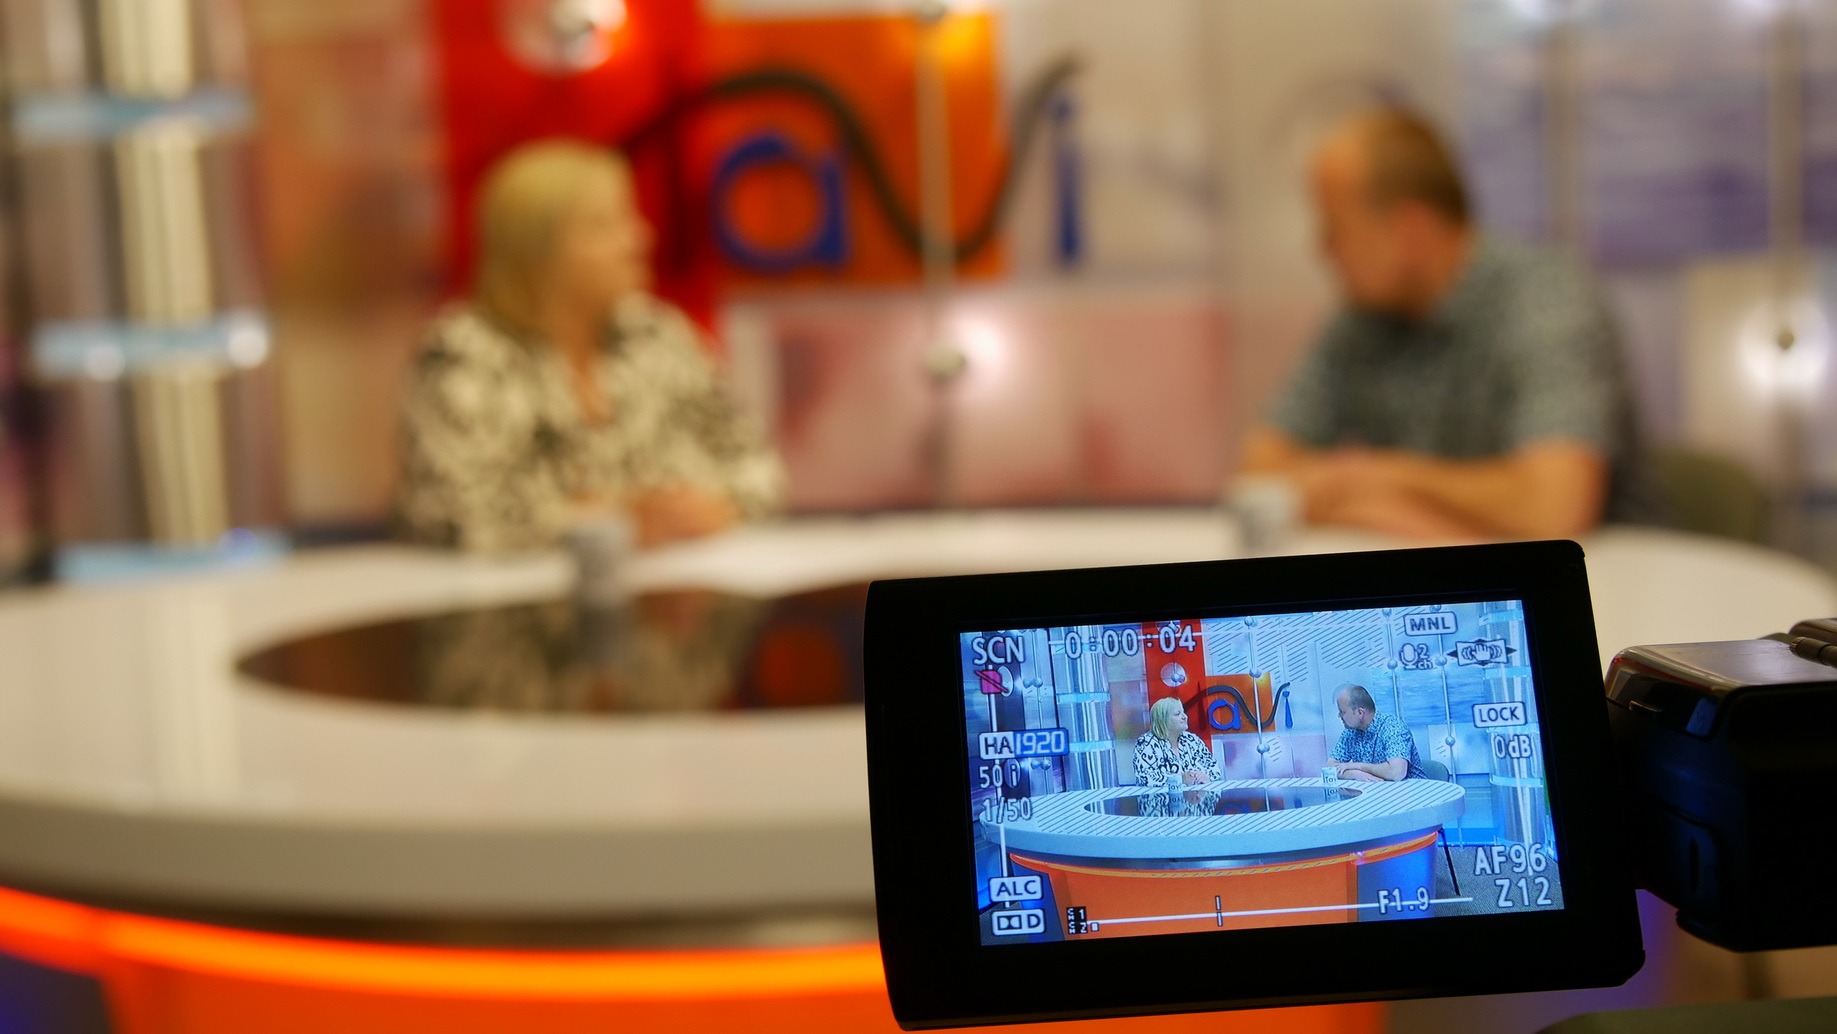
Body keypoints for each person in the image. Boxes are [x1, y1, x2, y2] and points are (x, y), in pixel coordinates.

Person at [1241, 109, 1647, 540]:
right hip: (1454, 567)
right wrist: (1395, 509)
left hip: (1611, 573)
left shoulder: (1546, 299)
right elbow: (1258, 474)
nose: (1321, 249)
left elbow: (1554, 507)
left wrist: (1382, 477)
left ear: (1410, 231)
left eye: (1336, 228)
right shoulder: (1363, 317)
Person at [396, 140, 785, 552]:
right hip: (523, 593)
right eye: (606, 226)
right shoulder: (463, 355)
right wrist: (612, 521)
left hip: (687, 582)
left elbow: (760, 469)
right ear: (537, 249)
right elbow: (451, 516)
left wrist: (718, 506)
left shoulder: (658, 337)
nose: (639, 239)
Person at [1329, 684, 1426, 782]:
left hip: (1412, 789)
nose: (1339, 716)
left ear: (1360, 713)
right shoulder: (1350, 732)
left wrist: (1358, 766)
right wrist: (1355, 774)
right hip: (1376, 789)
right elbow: (1330, 768)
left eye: (1342, 712)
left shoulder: (1392, 727)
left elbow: (1397, 773)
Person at [1133, 697, 1222, 787]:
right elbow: (1146, 780)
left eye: (1183, 712)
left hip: (1198, 794)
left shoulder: (1192, 739)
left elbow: (1214, 768)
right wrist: (1180, 780)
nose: (1184, 717)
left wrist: (1206, 777)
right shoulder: (1146, 743)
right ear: (1163, 719)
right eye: (1177, 714)